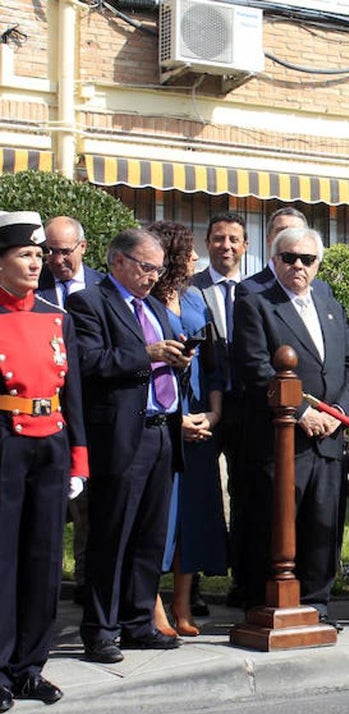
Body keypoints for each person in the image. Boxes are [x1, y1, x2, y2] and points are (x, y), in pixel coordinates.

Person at [69, 229, 190, 663]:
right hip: (122, 437)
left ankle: (139, 621)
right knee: (112, 534)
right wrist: (149, 353)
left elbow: (159, 360)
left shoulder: (155, 306)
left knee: (150, 534)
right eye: (145, 267)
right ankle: (100, 629)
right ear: (118, 261)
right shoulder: (90, 302)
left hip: (161, 430)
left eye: (158, 269)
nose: (153, 277)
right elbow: (88, 361)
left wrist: (178, 359)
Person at [232, 227, 349, 629]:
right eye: (289, 258)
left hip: (328, 437)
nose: (298, 266)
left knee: (323, 525)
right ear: (274, 261)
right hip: (282, 440)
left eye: (307, 259)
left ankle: (317, 604)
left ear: (318, 264)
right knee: (273, 525)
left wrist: (338, 411)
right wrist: (302, 412)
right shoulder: (256, 304)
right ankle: (262, 605)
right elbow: (255, 368)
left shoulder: (329, 303)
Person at [0, 212, 88, 712]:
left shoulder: (56, 314)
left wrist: (79, 459)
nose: (36, 263)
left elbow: (70, 392)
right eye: (25, 255)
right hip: (6, 441)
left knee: (44, 558)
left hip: (51, 440)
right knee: (4, 558)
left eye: (39, 255)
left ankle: (29, 666)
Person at [146, 221, 228, 637]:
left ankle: (183, 604)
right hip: (163, 423)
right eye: (190, 251)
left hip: (200, 422)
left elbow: (214, 366)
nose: (196, 257)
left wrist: (212, 414)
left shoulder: (197, 300)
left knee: (193, 518)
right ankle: (153, 605)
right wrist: (175, 419)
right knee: (162, 517)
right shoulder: (146, 304)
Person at [34, 215, 101, 607]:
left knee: (91, 511)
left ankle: (88, 585)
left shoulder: (102, 288)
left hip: (91, 416)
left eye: (64, 251)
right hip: (42, 415)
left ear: (83, 248)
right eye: (49, 252)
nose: (56, 259)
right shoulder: (32, 287)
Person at [189, 211, 248, 608]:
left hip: (244, 408)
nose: (225, 246)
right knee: (199, 495)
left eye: (233, 240)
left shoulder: (256, 289)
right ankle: (188, 587)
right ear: (207, 243)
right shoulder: (189, 289)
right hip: (203, 406)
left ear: (245, 246)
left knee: (246, 495)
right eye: (218, 238)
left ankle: (243, 581)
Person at [35, 216, 102, 308]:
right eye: (51, 251)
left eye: (65, 252)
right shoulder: (33, 285)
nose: (58, 260)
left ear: (82, 247)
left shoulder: (105, 288)